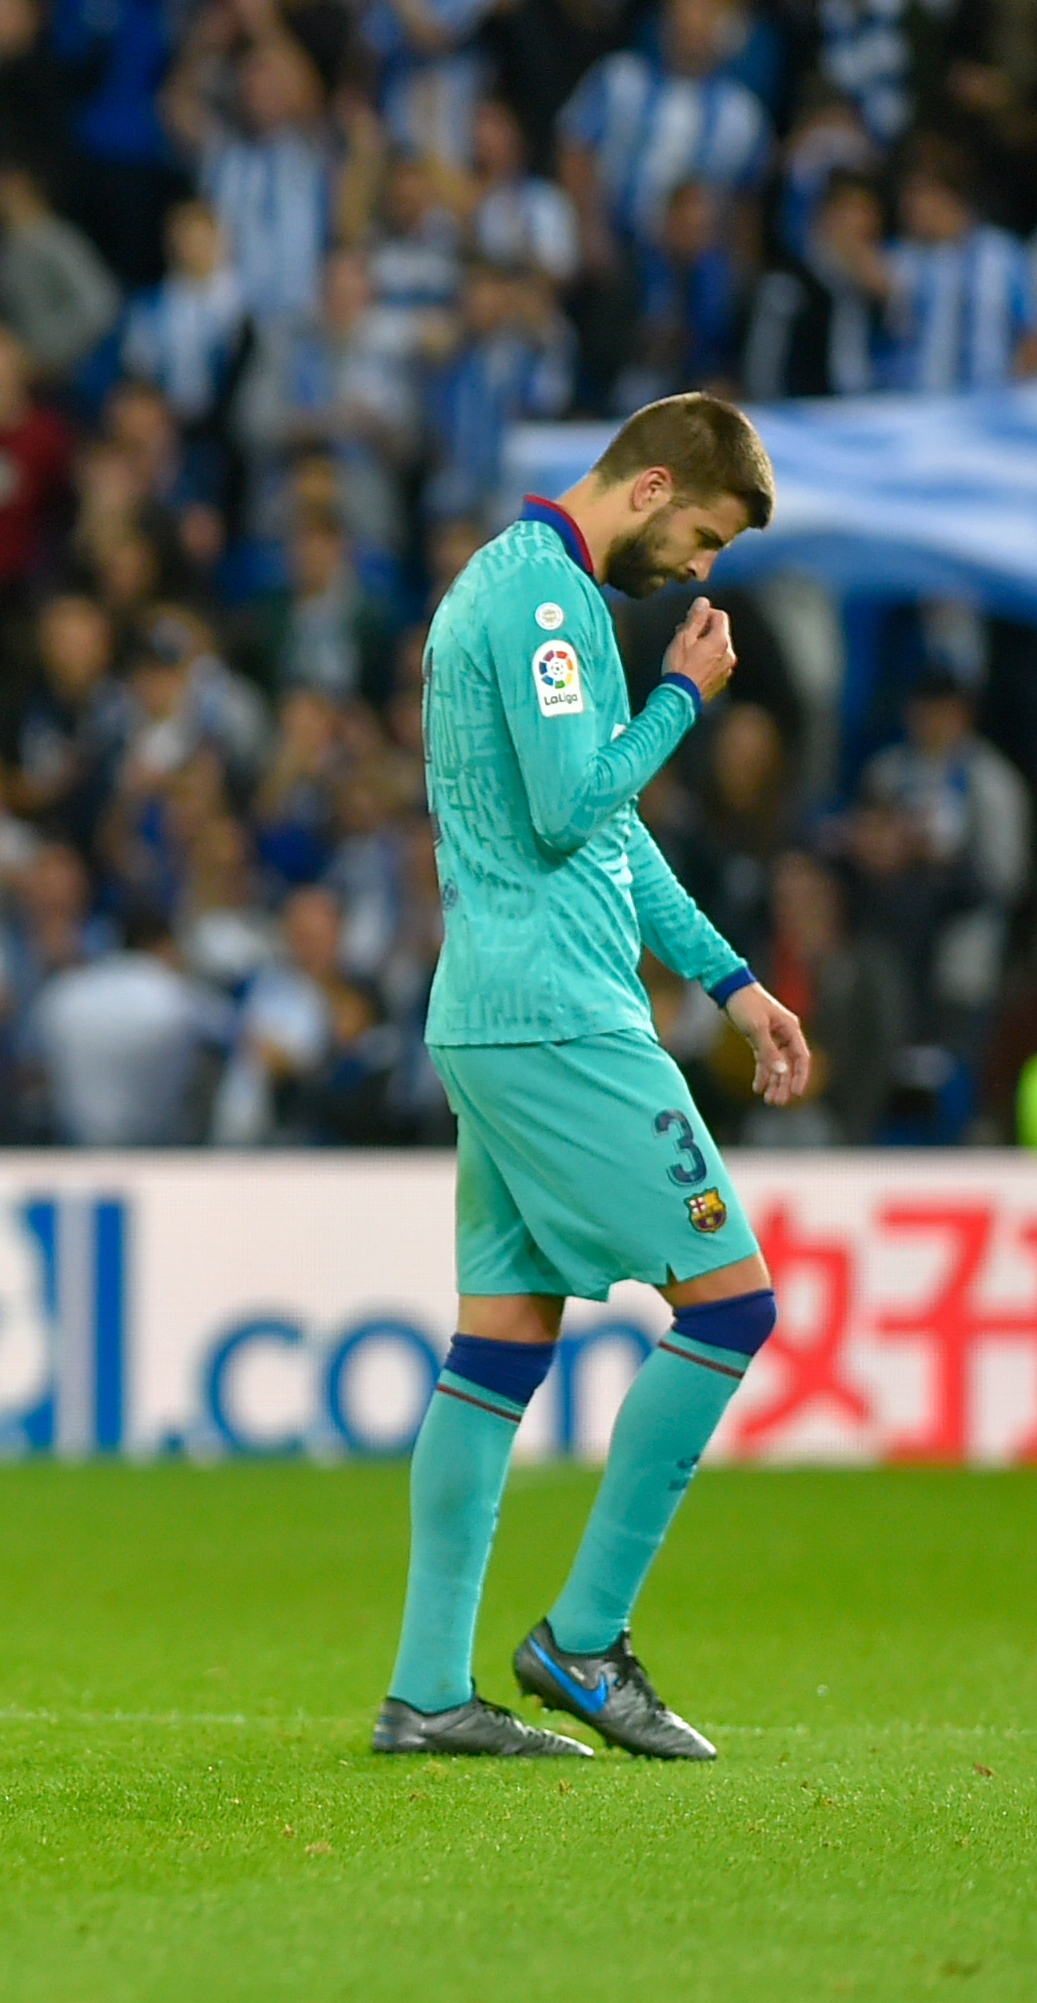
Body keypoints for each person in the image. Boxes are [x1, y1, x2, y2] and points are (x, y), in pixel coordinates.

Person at [378, 394, 814, 1765]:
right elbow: (579, 810)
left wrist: (735, 982)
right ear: (656, 483)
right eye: (704, 536)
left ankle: (428, 1689)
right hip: (562, 1022)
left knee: (497, 1343)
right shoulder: (552, 605)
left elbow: (604, 835)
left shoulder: (514, 589)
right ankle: (581, 1638)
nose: (699, 570)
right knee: (732, 1302)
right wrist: (684, 694)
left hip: (494, 1011)